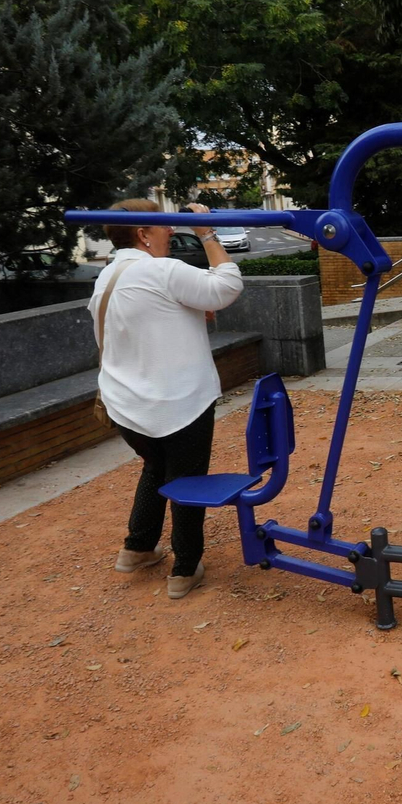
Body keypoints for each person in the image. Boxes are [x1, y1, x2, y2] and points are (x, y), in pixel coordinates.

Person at [90, 199, 244, 598]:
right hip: (178, 403)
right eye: (165, 225)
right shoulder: (162, 269)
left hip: (126, 405)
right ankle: (184, 568)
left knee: (156, 469)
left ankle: (137, 548)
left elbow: (149, 318)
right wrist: (207, 233)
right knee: (186, 481)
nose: (172, 230)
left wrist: (190, 313)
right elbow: (228, 285)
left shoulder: (107, 276)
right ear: (143, 234)